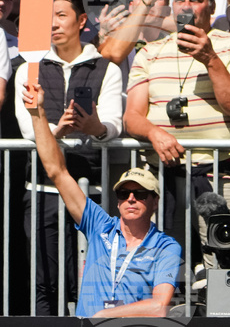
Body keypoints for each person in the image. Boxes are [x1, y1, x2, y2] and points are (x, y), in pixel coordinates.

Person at [123, 0, 230, 264]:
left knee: (224, 264)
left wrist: (210, 58)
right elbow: (131, 117)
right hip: (162, 176)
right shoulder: (150, 52)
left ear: (212, 6)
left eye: (195, 0)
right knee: (161, 265)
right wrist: (155, 133)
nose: (186, 6)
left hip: (218, 176)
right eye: (179, 0)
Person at [23, 81, 181, 317]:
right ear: (117, 201)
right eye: (123, 193)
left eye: (140, 194)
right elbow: (57, 171)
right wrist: (38, 113)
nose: (131, 199)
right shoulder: (101, 226)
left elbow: (159, 307)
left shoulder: (166, 246)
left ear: (154, 202)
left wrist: (102, 316)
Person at [12, 0, 121, 314]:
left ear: (82, 20)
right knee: (43, 281)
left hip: (92, 192)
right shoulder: (28, 68)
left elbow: (114, 124)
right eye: (48, 18)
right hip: (42, 190)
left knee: (91, 280)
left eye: (61, 16)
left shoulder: (107, 68)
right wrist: (55, 130)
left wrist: (96, 127)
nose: (53, 24)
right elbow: (28, 129)